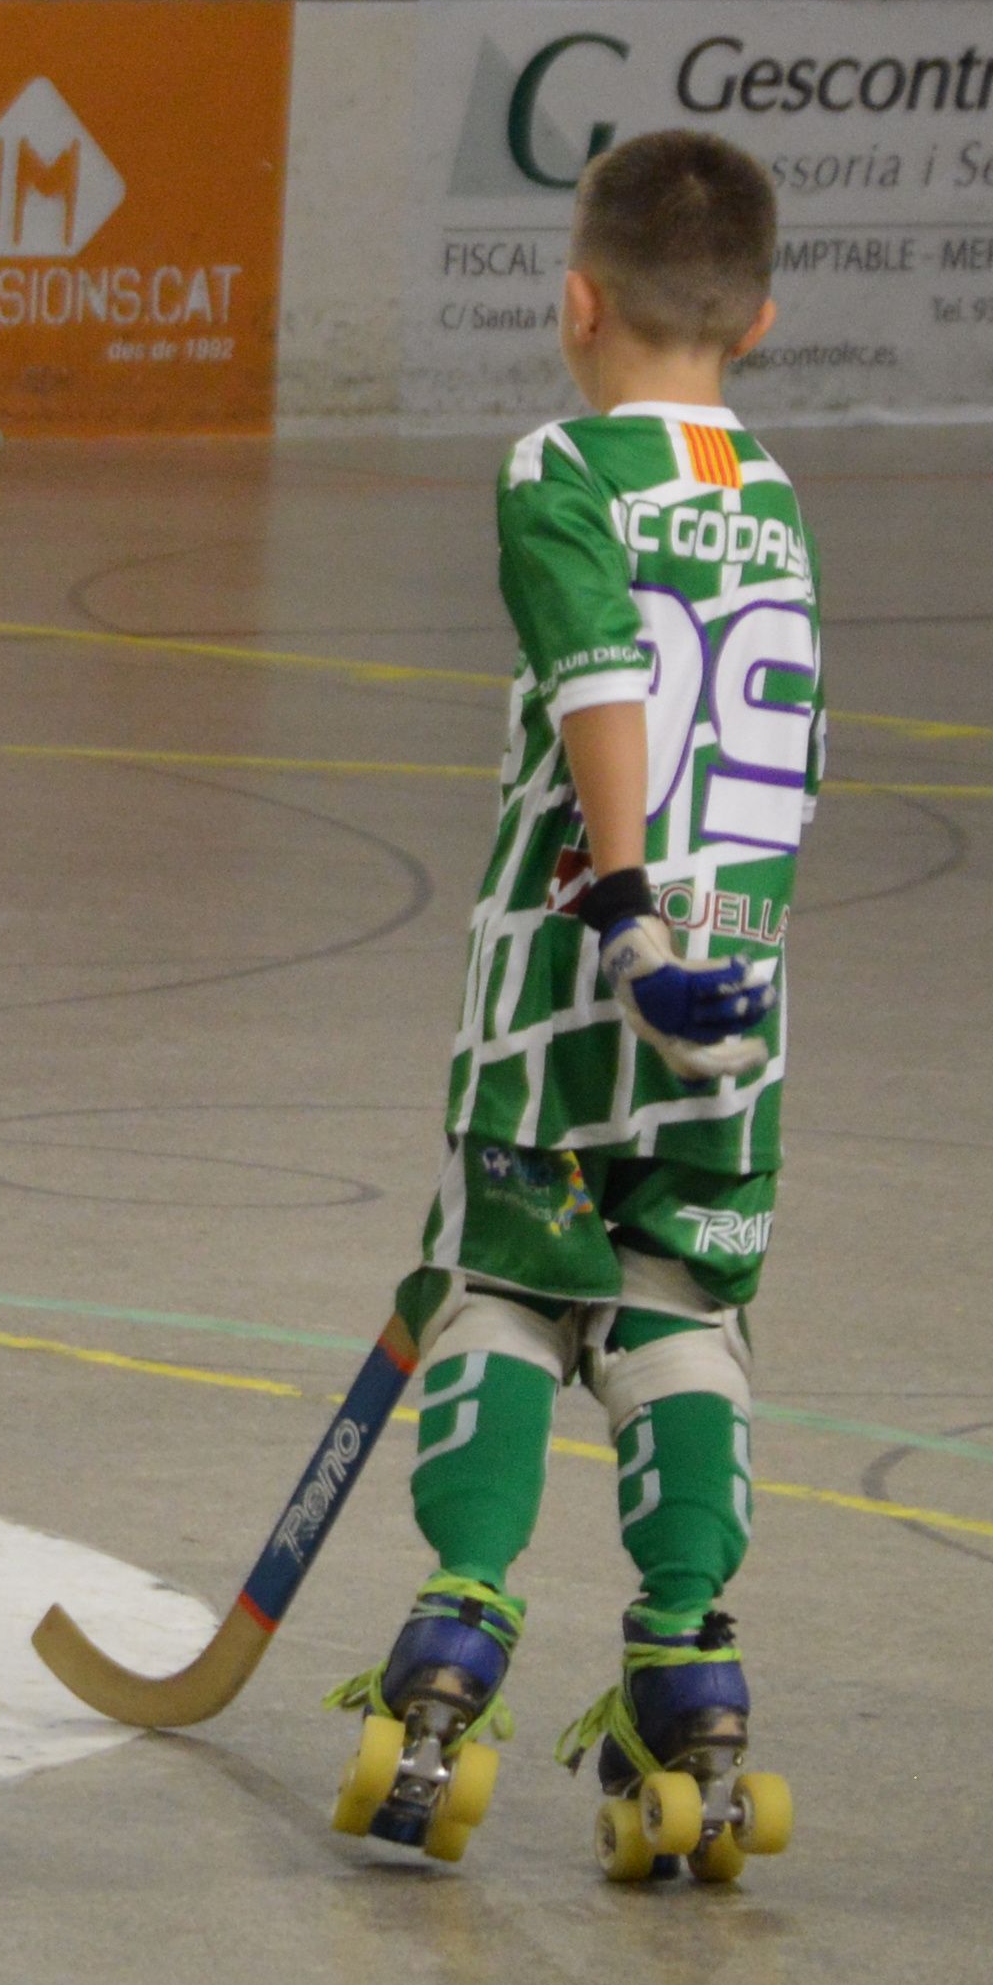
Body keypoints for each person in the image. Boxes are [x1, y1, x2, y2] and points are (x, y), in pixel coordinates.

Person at [332, 126, 803, 1889]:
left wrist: (616, 905)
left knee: (509, 1295)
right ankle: (688, 1656)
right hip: (743, 1002)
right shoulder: (773, 490)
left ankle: (457, 1638)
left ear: (574, 302)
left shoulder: (559, 466)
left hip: (578, 979)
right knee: (681, 1301)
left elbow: (601, 669)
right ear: (755, 321)